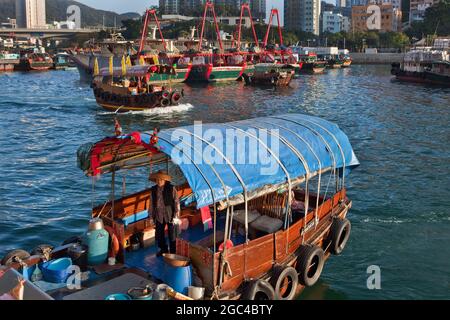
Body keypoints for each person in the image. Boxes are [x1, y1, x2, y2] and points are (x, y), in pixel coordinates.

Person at [149, 170, 180, 257]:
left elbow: (176, 202)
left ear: (165, 180)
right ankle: (163, 249)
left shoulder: (171, 188)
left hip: (170, 214)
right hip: (158, 215)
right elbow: (151, 204)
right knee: (159, 235)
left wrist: (176, 215)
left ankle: (173, 252)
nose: (159, 181)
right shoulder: (153, 190)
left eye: (161, 179)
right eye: (157, 180)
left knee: (172, 235)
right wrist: (151, 217)